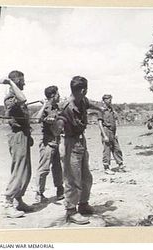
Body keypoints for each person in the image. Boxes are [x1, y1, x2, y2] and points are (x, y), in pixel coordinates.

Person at [55, 76, 101, 224]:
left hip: (81, 141)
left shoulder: (82, 101)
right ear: (83, 90)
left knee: (86, 177)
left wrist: (100, 108)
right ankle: (70, 211)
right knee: (72, 178)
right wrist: (56, 124)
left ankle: (83, 204)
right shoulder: (65, 107)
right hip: (70, 143)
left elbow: (90, 104)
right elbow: (58, 127)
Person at [2, 70, 33, 218]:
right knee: (19, 170)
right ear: (16, 82)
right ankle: (8, 203)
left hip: (24, 135)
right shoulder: (10, 97)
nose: (24, 83)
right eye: (22, 81)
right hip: (17, 136)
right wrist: (11, 83)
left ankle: (18, 199)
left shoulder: (16, 95)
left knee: (26, 171)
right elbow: (22, 98)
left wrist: (30, 134)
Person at [33, 86, 64, 203]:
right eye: (58, 94)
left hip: (57, 141)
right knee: (44, 169)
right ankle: (39, 193)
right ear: (52, 96)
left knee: (57, 168)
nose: (59, 96)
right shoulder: (45, 107)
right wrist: (44, 106)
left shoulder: (57, 107)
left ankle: (60, 190)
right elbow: (36, 119)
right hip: (47, 142)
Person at [98, 94, 126, 175]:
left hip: (113, 131)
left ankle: (120, 165)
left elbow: (114, 121)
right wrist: (104, 135)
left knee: (117, 148)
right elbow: (100, 124)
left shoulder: (111, 110)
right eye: (108, 99)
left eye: (110, 99)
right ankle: (106, 168)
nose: (110, 100)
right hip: (106, 131)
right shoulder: (101, 110)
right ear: (104, 100)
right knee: (107, 150)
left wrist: (116, 132)